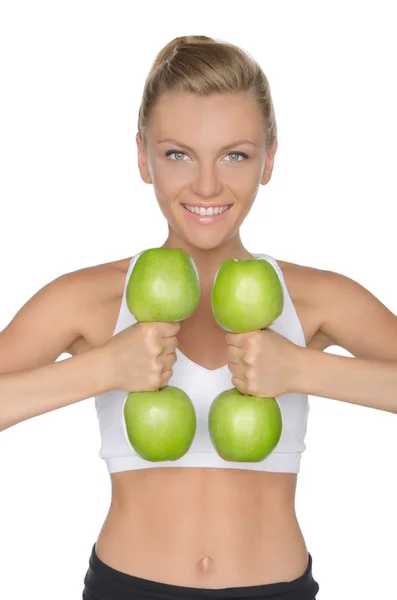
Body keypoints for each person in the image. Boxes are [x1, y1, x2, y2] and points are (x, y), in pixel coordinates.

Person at [1, 34, 397, 600]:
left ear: (269, 159)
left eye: (235, 154)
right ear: (142, 156)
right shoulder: (87, 298)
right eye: (177, 153)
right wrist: (101, 369)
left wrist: (304, 370)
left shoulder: (315, 299)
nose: (207, 185)